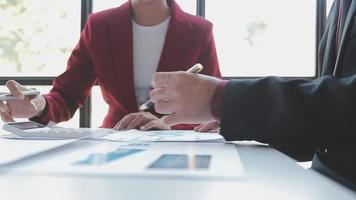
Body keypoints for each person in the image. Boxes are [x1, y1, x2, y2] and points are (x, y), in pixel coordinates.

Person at [149, 0, 356, 190]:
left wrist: (224, 100)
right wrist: (244, 122)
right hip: (325, 185)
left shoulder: (199, 28)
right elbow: (331, 125)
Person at [0, 0, 221, 130]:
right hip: (114, 142)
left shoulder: (200, 31)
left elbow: (216, 104)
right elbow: (66, 96)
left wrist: (169, 126)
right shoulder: (99, 26)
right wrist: (38, 105)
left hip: (179, 150)